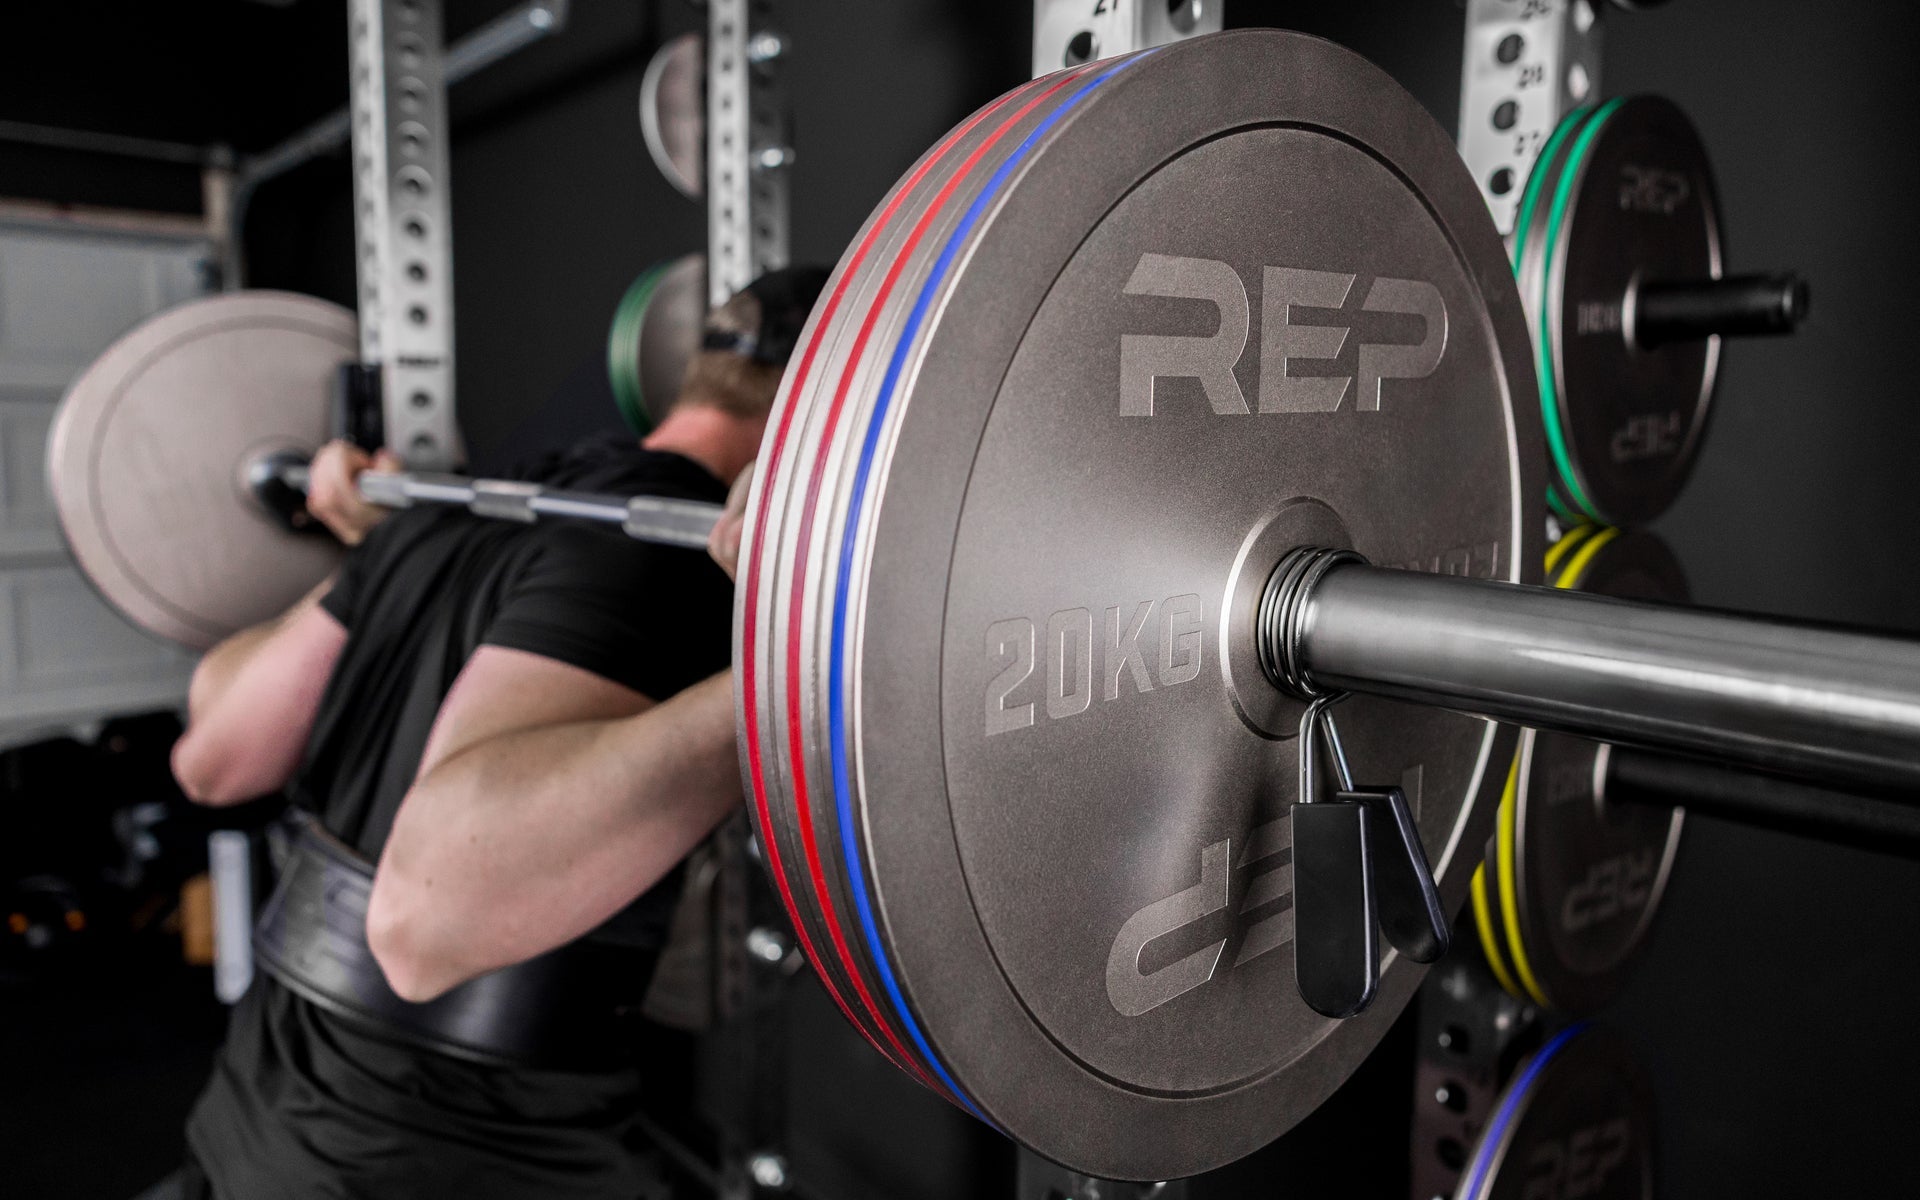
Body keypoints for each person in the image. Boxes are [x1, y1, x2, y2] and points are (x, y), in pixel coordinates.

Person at [164, 267, 826, 1200]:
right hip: (445, 1158)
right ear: (831, 409)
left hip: (258, 1115)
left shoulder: (462, 507)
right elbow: (421, 920)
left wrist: (373, 561)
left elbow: (214, 754)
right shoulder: (667, 563)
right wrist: (817, 662)